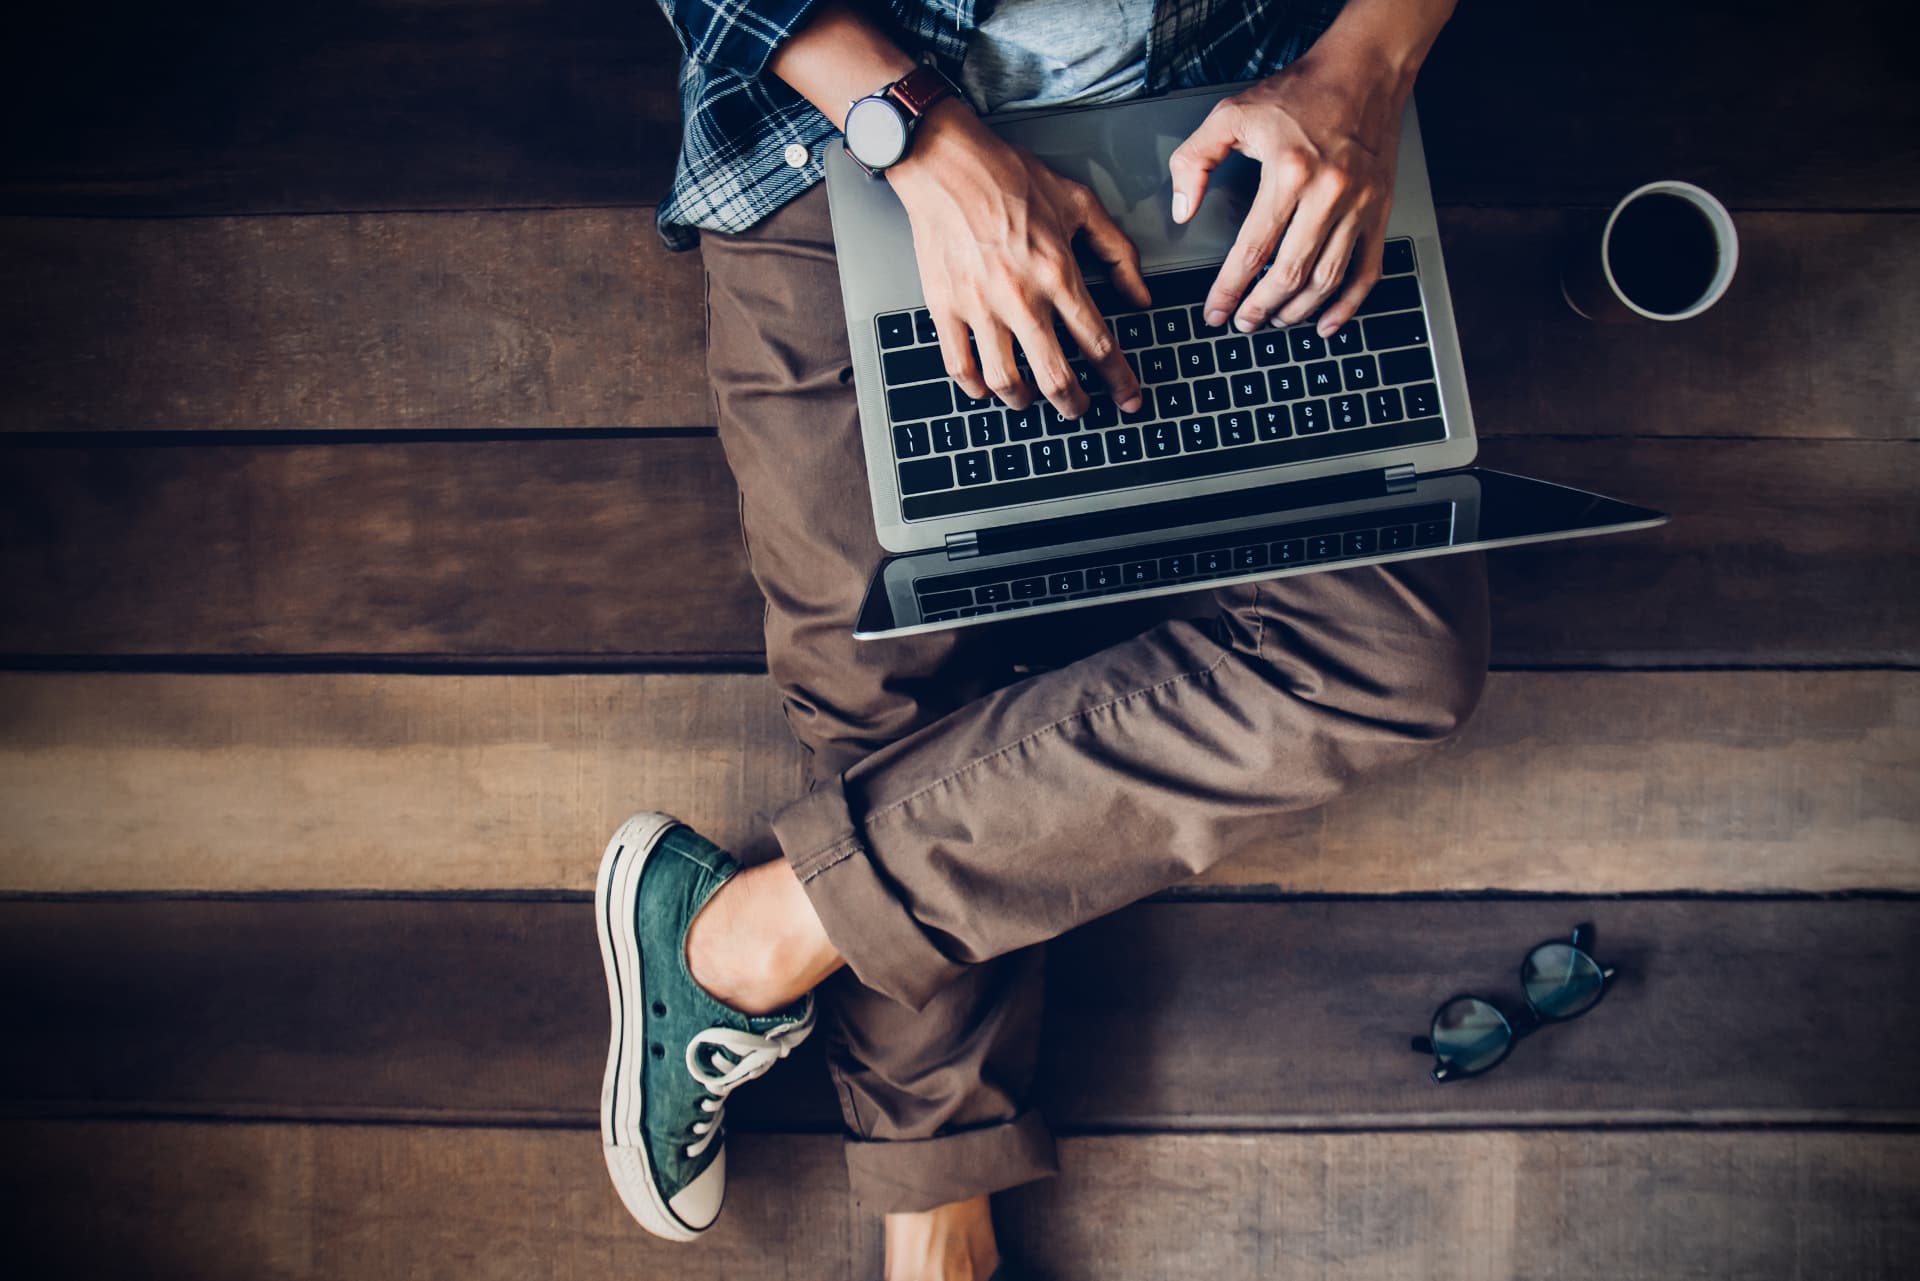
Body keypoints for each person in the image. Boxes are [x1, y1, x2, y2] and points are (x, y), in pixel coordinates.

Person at [603, 1, 1477, 1277]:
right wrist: (919, 138)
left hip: (1233, 137)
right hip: (833, 137)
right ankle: (939, 1207)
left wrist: (1370, 60)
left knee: (1393, 658)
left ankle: (749, 934)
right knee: (881, 665)